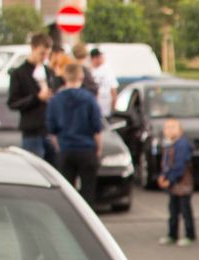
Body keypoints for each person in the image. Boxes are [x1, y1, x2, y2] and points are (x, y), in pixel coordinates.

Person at [46, 62, 102, 207]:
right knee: (88, 191)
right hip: (86, 148)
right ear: (81, 76)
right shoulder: (89, 99)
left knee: (67, 193)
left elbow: (52, 130)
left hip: (66, 149)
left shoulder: (55, 100)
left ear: (64, 77)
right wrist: (98, 149)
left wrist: (60, 147)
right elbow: (97, 128)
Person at [7, 32, 58, 163]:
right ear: (33, 48)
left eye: (47, 54)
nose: (44, 57)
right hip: (32, 132)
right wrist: (36, 98)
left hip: (50, 131)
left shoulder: (49, 71)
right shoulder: (19, 73)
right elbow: (13, 103)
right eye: (42, 53)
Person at [157, 119, 196, 247]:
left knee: (185, 211)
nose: (169, 130)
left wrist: (170, 180)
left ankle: (190, 234)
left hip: (182, 184)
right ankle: (172, 234)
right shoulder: (170, 145)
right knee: (173, 210)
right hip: (173, 184)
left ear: (180, 130)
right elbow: (167, 165)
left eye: (173, 127)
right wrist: (163, 177)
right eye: (167, 127)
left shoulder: (182, 145)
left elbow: (180, 166)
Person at [89, 48, 118, 116]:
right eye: (100, 57)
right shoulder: (89, 71)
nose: (102, 58)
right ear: (94, 58)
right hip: (93, 103)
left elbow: (113, 87)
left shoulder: (107, 70)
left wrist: (114, 103)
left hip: (105, 104)